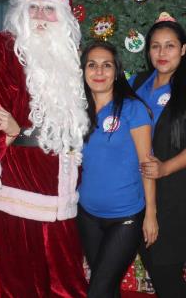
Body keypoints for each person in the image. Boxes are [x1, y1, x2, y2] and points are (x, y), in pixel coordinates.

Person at [0, 0, 89, 298]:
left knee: (67, 285)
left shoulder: (68, 57)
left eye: (50, 9)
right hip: (16, 194)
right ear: (22, 10)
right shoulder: (4, 47)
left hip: (60, 197)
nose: (42, 16)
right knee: (19, 287)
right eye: (35, 8)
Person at [131, 15, 186, 298]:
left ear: (182, 49)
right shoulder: (138, 83)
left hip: (177, 190)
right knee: (158, 268)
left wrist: (166, 168)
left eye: (169, 46)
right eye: (155, 47)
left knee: (165, 270)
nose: (162, 53)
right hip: (139, 189)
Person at [76, 42, 157, 298]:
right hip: (87, 215)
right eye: (92, 65)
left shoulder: (133, 109)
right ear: (83, 70)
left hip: (126, 217)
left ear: (116, 71)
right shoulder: (77, 111)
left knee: (97, 290)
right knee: (107, 287)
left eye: (106, 65)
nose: (99, 71)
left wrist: (151, 214)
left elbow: (147, 163)